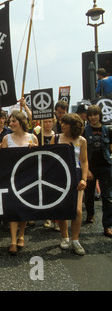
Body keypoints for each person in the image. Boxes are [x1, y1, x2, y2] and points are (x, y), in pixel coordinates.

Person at [0, 110, 38, 255]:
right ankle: (13, 241)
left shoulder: (33, 138)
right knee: (13, 209)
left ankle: (21, 234)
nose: (11, 124)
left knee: (24, 208)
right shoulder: (6, 138)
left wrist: (34, 149)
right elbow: (2, 161)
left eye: (13, 121)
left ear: (21, 122)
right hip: (12, 178)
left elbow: (37, 160)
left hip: (28, 178)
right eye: (10, 121)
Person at [50, 113, 88, 255]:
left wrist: (84, 179)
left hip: (76, 174)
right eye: (62, 123)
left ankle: (75, 239)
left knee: (77, 210)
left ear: (74, 125)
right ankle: (65, 237)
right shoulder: (56, 138)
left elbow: (84, 161)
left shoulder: (82, 140)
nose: (63, 125)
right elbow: (49, 157)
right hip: (60, 175)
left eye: (66, 123)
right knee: (63, 208)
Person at [83, 105, 112, 237]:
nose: (93, 117)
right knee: (88, 195)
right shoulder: (84, 131)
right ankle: (90, 214)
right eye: (90, 115)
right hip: (90, 168)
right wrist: (86, 169)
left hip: (106, 166)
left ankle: (108, 225)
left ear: (100, 115)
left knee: (107, 197)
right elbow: (81, 153)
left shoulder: (108, 130)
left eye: (95, 114)